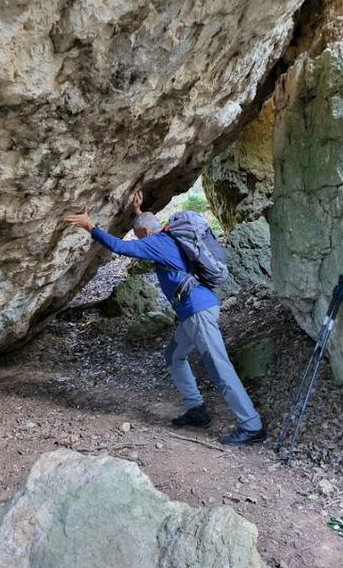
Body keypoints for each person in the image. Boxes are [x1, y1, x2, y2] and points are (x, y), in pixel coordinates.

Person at [64, 190, 265, 446]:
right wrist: (138, 212)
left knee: (219, 367)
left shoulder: (156, 243)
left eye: (139, 236)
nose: (139, 242)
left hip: (197, 312)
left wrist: (89, 225)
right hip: (195, 310)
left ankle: (252, 426)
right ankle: (197, 410)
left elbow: (118, 246)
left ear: (146, 234)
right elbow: (146, 225)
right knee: (174, 356)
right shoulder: (166, 236)